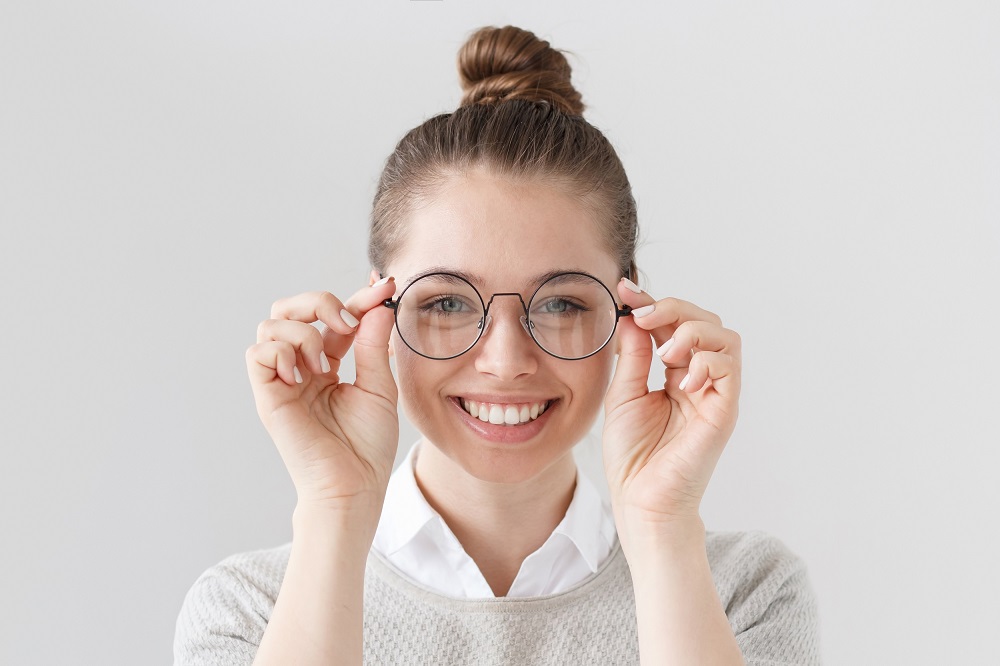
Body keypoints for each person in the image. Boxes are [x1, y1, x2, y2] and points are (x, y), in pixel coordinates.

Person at [173, 25, 820, 665]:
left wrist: (661, 529)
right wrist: (334, 510)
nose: (506, 363)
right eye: (448, 303)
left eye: (561, 303)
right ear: (376, 314)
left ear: (629, 313)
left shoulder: (745, 595)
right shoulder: (246, 614)